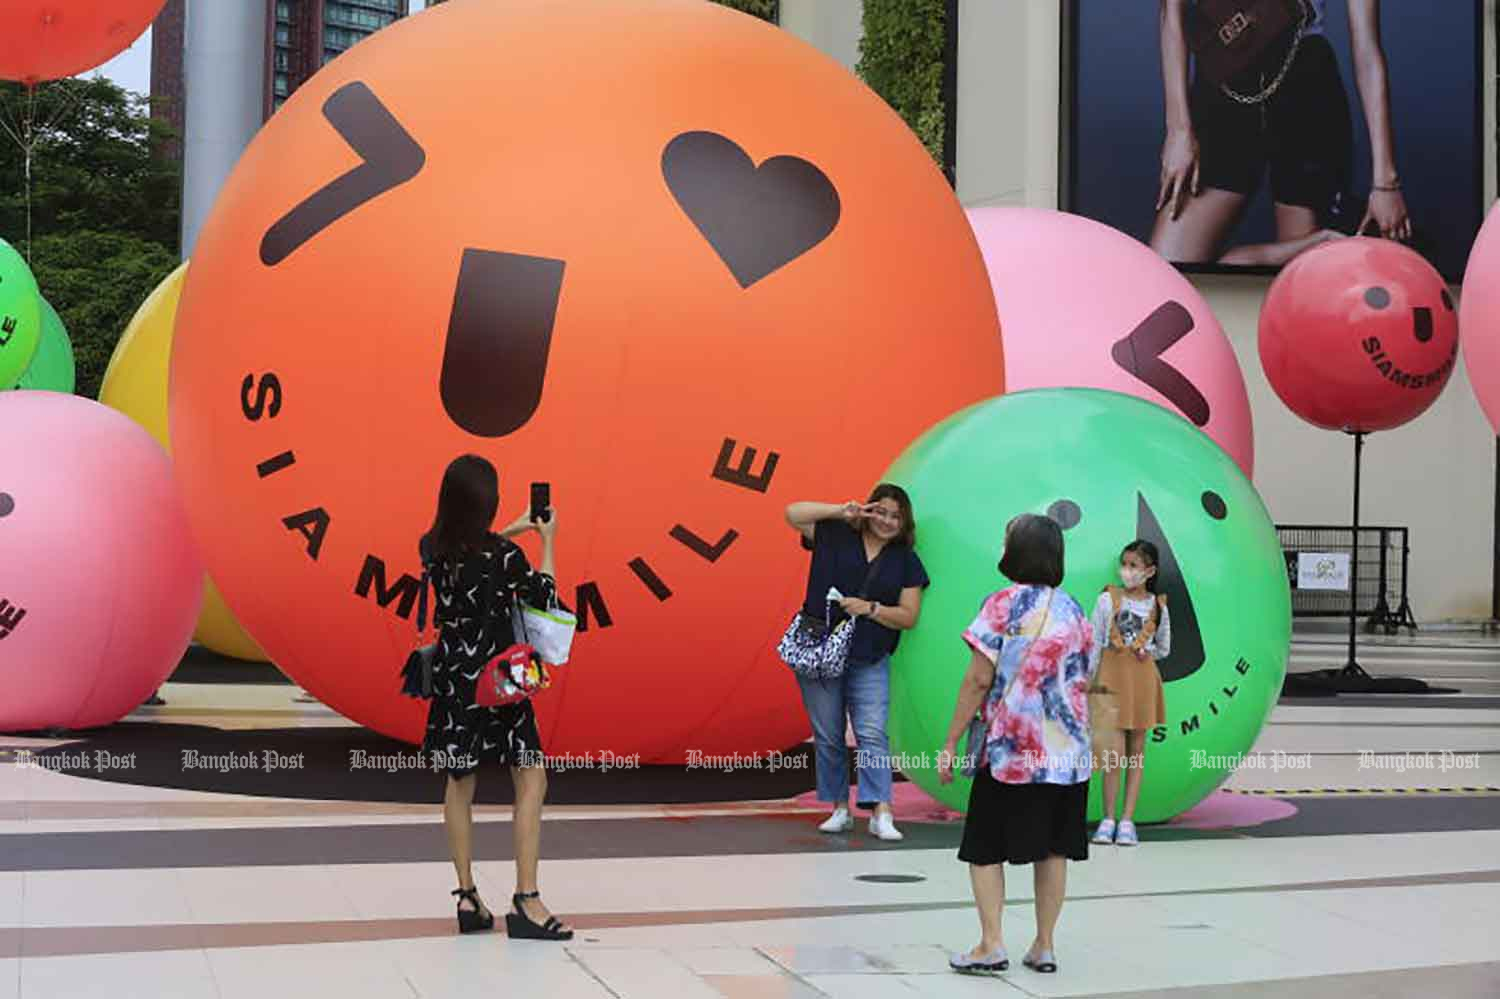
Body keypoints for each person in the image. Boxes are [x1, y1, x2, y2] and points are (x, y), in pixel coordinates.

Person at [419, 454, 572, 940]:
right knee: (531, 778)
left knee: (459, 783)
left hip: (454, 682)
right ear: (488, 502)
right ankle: (527, 900)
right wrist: (545, 541)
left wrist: (515, 530)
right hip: (500, 682)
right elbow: (543, 596)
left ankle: (467, 897)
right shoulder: (507, 560)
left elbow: (475, 558)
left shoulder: (433, 550)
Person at [938, 514, 1094, 977]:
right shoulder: (1074, 609)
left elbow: (979, 678)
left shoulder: (1001, 605)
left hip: (1010, 752)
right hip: (1066, 756)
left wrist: (951, 740)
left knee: (984, 846)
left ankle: (990, 943)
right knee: (1054, 849)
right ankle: (1044, 945)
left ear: (1016, 550)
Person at [1151, 0, 1410, 266]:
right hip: (1225, 82)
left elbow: (1367, 50)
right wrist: (1179, 130)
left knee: (1300, 282)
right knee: (1167, 267)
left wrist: (1385, 183)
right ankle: (1325, 245)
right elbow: (1172, 14)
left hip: (1303, 86)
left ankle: (1323, 246)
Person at [784, 485, 930, 842]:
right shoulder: (833, 534)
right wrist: (840, 510)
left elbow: (909, 615)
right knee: (829, 734)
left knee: (871, 732)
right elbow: (793, 513)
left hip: (870, 654)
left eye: (896, 516)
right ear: (868, 509)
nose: (887, 521)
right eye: (881, 511)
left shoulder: (905, 560)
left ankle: (881, 810)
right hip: (819, 650)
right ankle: (838, 807)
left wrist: (872, 609)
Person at [1089, 541, 1171, 847]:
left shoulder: (1158, 607)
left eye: (1134, 565)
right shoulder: (1106, 601)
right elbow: (1094, 642)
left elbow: (1164, 648)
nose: (1128, 571)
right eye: (1125, 564)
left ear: (1150, 571)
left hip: (1142, 682)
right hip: (1110, 680)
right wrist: (1087, 683)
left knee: (1136, 752)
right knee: (1112, 754)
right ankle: (1108, 817)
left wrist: (1145, 650)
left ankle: (1127, 819)